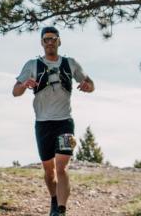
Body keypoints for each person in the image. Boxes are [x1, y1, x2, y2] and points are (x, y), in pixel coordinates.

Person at [12, 27, 95, 216]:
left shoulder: (70, 63)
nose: (50, 42)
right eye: (46, 39)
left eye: (53, 39)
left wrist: (87, 86)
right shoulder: (32, 65)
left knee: (61, 167)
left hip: (65, 123)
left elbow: (91, 85)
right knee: (49, 171)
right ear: (42, 43)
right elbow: (15, 92)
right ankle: (54, 200)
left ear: (59, 41)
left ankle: (61, 210)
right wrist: (24, 85)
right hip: (43, 124)